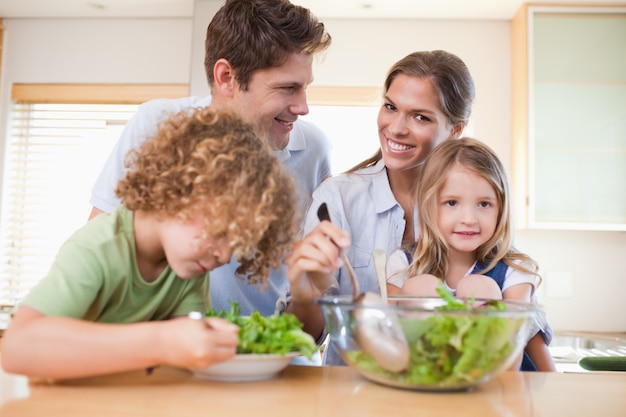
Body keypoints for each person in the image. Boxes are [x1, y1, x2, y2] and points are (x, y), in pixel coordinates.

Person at [0, 108, 298, 380]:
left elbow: (187, 359)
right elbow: (17, 347)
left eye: (236, 243)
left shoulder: (187, 265)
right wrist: (162, 340)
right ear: (177, 192)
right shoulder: (98, 248)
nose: (224, 254)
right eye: (220, 231)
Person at [88, 0, 332, 316]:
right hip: (168, 348)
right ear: (227, 76)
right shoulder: (159, 123)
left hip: (271, 351)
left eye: (305, 87)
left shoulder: (312, 148)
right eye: (288, 88)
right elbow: (101, 247)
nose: (303, 107)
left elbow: (308, 289)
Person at [282, 50, 476, 365]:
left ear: (455, 129)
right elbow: (304, 337)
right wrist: (306, 296)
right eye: (390, 107)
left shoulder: (475, 204)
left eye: (420, 116)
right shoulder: (338, 200)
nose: (396, 128)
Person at [386, 138, 555, 371]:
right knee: (422, 286)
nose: (469, 219)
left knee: (480, 287)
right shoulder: (403, 264)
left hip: (498, 385)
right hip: (427, 383)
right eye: (452, 202)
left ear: (501, 209)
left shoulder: (513, 272)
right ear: (428, 204)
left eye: (484, 204)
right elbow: (390, 341)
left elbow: (520, 350)